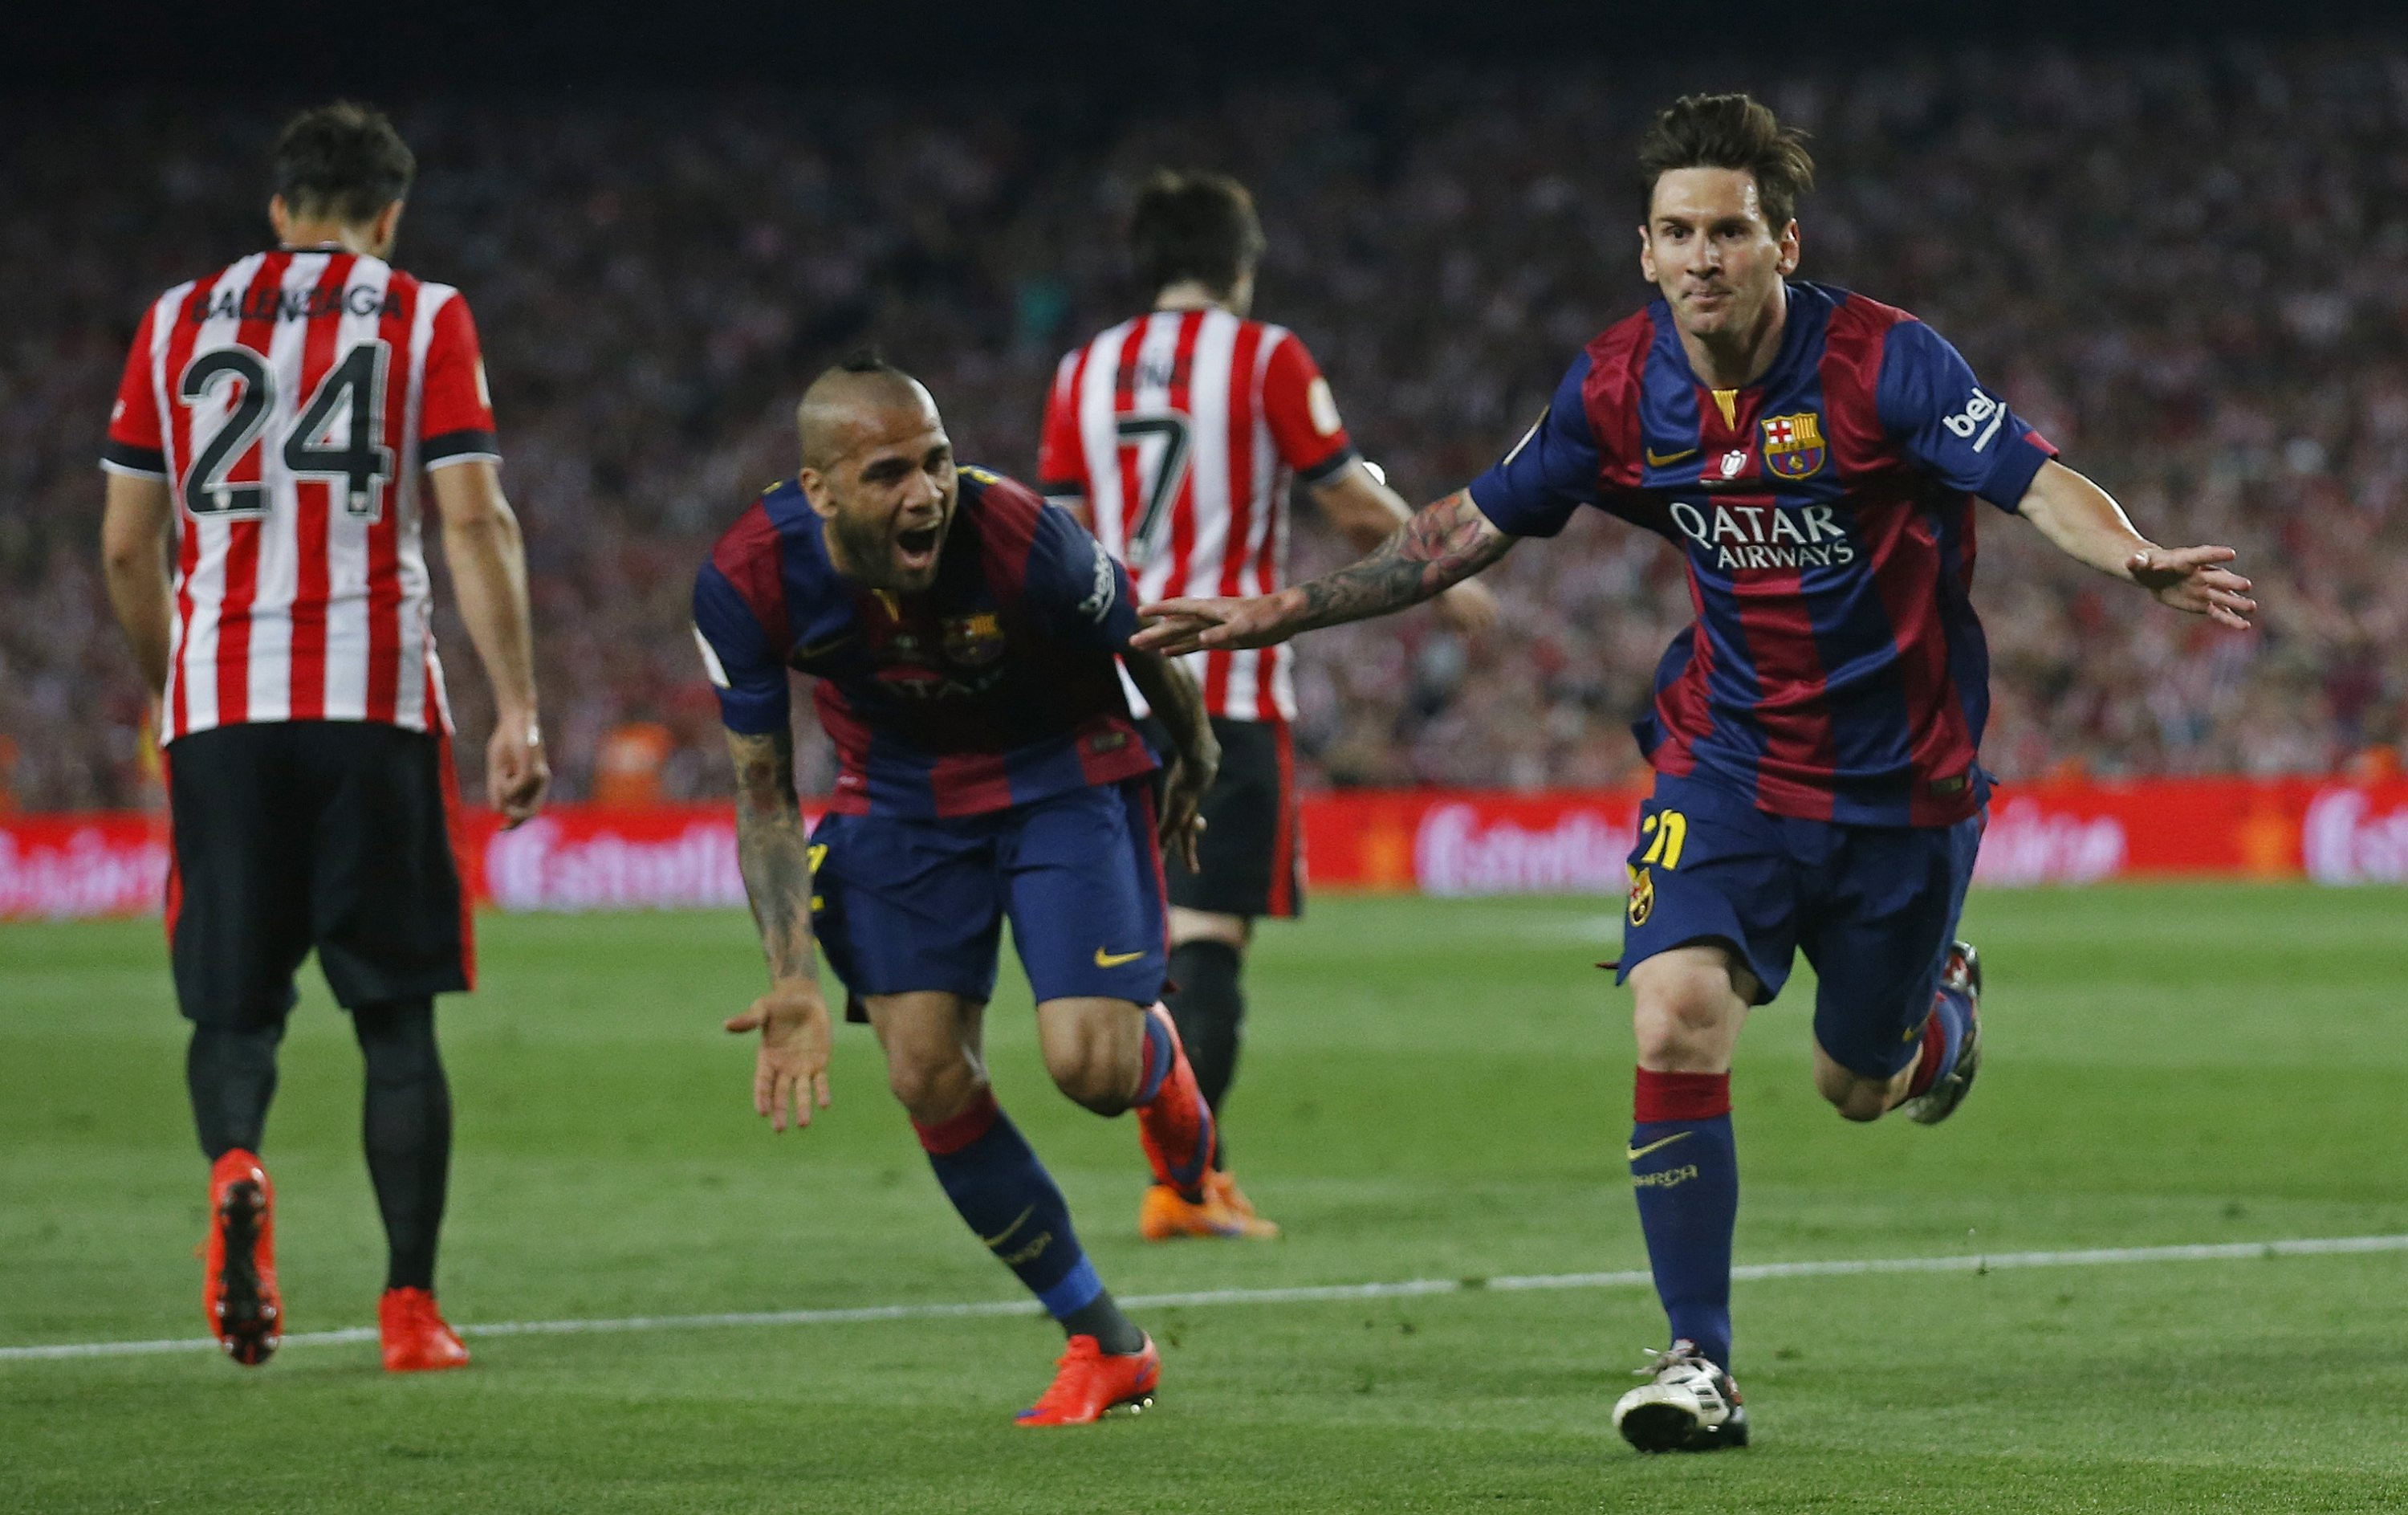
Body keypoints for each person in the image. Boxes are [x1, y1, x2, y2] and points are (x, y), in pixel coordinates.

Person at [1133, 92, 2255, 1452]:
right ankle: (1697, 1361)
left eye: (1731, 230)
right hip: (1724, 763)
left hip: (1903, 790)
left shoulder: (1887, 364)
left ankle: (1934, 1017)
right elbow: (1463, 532)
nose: (1705, 257)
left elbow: (2033, 479)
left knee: (1860, 1085)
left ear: (1785, 241)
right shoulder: (1616, 387)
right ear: (1645, 252)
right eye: (1680, 232)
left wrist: (2131, 554)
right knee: (1671, 1017)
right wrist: (1284, 609)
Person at [98, 102, 550, 1372]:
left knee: (233, 1017)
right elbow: (475, 523)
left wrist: (167, 687)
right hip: (373, 701)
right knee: (396, 1021)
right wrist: (516, 706)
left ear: (278, 206)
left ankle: (239, 1165)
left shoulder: (175, 320)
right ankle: (411, 1309)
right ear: (390, 216)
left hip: (221, 710)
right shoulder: (423, 313)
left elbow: (129, 544)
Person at [693, 353, 1224, 1426]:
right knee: (926, 1075)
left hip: (1060, 771)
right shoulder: (746, 579)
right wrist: (789, 976)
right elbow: (762, 795)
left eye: (936, 460)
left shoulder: (1025, 535)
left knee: (1090, 1067)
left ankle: (1157, 1067)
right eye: (890, 472)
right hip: (892, 801)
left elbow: (1143, 634)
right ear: (821, 489)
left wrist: (1196, 754)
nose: (928, 492)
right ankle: (1104, 1341)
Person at [1038, 170, 1499, 1241]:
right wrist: (1449, 568)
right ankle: (1191, 1183)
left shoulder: (1081, 371)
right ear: (1241, 265)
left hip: (1106, 686)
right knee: (1206, 942)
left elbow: (1056, 531)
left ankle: (1180, 1172)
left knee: (1145, 937)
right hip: (1226, 687)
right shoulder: (1265, 356)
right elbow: (1343, 494)